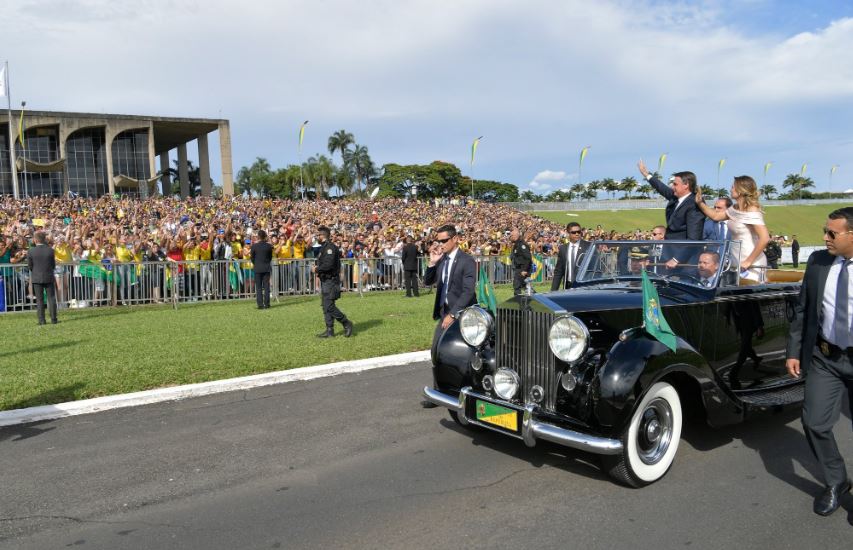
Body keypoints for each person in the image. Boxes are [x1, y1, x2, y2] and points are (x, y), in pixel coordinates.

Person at [785, 207, 853, 518]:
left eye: (832, 233)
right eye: (825, 231)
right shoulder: (817, 262)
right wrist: (794, 350)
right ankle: (837, 482)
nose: (824, 238)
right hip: (825, 357)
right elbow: (803, 309)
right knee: (814, 422)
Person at [695, 175, 770, 283]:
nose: (730, 189)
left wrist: (748, 262)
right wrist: (700, 203)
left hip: (752, 264)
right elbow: (716, 216)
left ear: (740, 190)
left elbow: (765, 238)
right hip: (736, 261)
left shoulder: (752, 210)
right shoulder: (734, 209)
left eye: (733, 187)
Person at [638, 159, 706, 269]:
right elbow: (662, 188)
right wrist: (647, 175)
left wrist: (676, 259)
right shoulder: (676, 198)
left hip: (685, 262)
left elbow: (694, 238)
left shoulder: (694, 204)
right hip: (670, 254)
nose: (672, 187)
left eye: (675, 184)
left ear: (686, 185)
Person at [424, 224, 476, 331]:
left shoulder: (467, 260)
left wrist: (453, 314)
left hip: (463, 313)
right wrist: (432, 263)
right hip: (445, 312)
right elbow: (427, 282)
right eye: (439, 242)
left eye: (444, 241)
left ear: (455, 239)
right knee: (436, 347)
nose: (441, 244)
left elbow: (468, 291)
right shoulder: (442, 259)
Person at [312, 226, 353, 338]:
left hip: (331, 280)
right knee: (326, 306)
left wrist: (317, 269)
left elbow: (329, 265)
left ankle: (346, 322)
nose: (317, 237)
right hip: (325, 280)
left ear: (323, 235)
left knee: (329, 306)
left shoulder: (330, 248)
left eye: (318, 235)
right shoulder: (324, 248)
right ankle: (330, 330)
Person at [27, 230, 58, 325]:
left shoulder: (31, 251)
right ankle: (53, 319)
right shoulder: (50, 250)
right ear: (44, 239)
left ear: (35, 240)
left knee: (39, 300)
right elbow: (53, 265)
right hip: (48, 276)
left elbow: (30, 266)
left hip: (37, 277)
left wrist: (36, 271)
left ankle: (42, 320)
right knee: (51, 298)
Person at [551, 222, 589, 291]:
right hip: (568, 286)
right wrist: (553, 290)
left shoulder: (588, 246)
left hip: (584, 287)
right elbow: (559, 271)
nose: (577, 234)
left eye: (579, 232)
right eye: (574, 232)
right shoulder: (563, 249)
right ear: (568, 233)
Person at [251, 229, 273, 309]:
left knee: (259, 287)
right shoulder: (269, 246)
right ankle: (267, 304)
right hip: (266, 268)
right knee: (266, 286)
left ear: (258, 237)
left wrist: (256, 264)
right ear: (265, 237)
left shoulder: (254, 246)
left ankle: (260, 304)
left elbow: (252, 258)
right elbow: (270, 257)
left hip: (257, 268)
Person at [509, 228, 532, 294]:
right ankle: (537, 299)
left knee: (517, 285)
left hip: (522, 269)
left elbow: (528, 258)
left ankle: (517, 302)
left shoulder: (522, 245)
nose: (510, 237)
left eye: (511, 236)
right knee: (525, 286)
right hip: (519, 268)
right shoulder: (516, 244)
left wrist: (524, 270)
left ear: (515, 236)